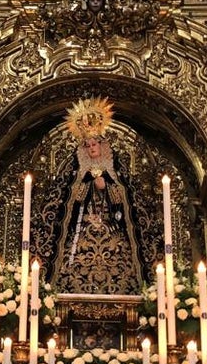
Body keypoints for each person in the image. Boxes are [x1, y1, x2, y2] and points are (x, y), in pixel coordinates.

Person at [51, 98, 144, 294]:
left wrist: (107, 186)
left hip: (112, 230)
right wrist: (86, 184)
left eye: (95, 144)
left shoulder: (115, 171)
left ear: (103, 146)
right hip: (82, 231)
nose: (92, 147)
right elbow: (67, 203)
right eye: (88, 145)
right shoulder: (77, 172)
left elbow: (127, 201)